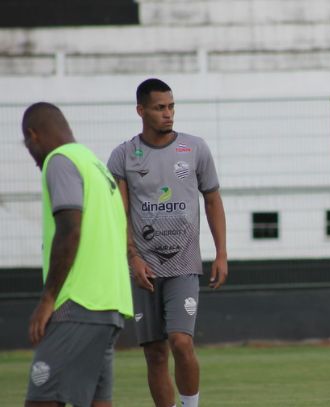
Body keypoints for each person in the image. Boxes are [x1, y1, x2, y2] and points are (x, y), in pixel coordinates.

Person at [107, 78, 228, 407]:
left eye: (171, 106)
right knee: (155, 354)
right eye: (160, 108)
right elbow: (119, 214)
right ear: (141, 110)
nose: (168, 114)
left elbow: (213, 200)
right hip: (144, 268)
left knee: (180, 342)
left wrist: (221, 253)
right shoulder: (123, 156)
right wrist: (132, 258)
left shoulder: (195, 149)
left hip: (184, 264)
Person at [22, 102, 133, 407]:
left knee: (42, 397)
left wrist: (47, 299)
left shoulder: (60, 161)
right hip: (110, 304)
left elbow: (70, 230)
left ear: (33, 136)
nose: (31, 156)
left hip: (78, 304)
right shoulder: (95, 165)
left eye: (27, 144)